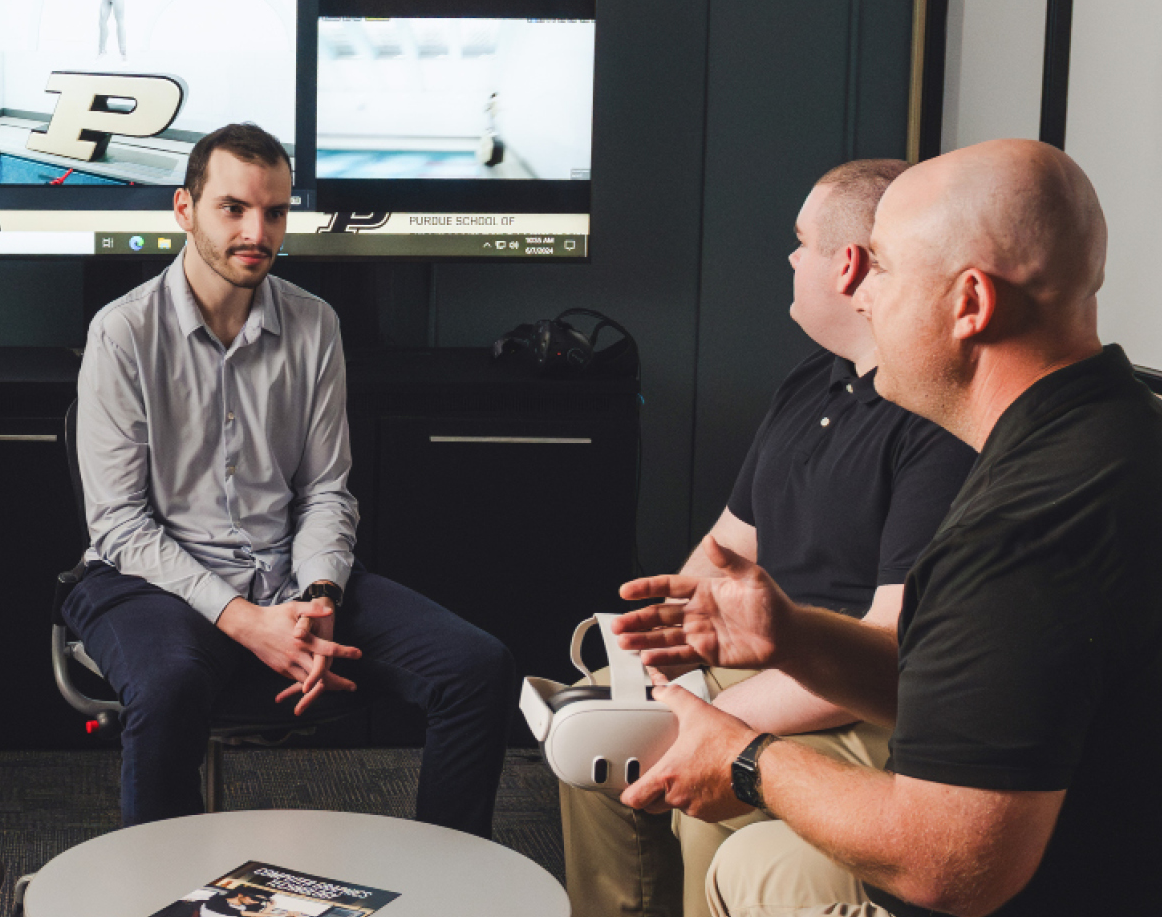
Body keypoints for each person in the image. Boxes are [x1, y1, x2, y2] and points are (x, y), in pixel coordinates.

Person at [612, 139, 1162, 916]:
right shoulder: (1118, 425)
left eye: (886, 270)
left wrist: (743, 759)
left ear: (970, 303)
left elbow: (950, 865)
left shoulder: (1019, 529)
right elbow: (990, 687)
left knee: (748, 870)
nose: (863, 298)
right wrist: (794, 637)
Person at [62, 122, 516, 834]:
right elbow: (119, 525)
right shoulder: (123, 332)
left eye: (274, 212)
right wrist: (248, 625)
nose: (258, 231)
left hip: (287, 572)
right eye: (234, 208)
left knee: (479, 667)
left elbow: (326, 489)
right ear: (185, 209)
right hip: (147, 580)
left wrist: (320, 594)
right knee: (170, 684)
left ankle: (451, 878)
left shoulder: (314, 324)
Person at [559, 161, 975, 917]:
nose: (789, 259)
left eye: (801, 241)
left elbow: (887, 653)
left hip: (847, 699)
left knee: (697, 786)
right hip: (758, 663)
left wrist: (720, 719)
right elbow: (725, 547)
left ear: (848, 264)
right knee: (589, 727)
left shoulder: (935, 426)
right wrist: (659, 658)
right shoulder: (811, 382)